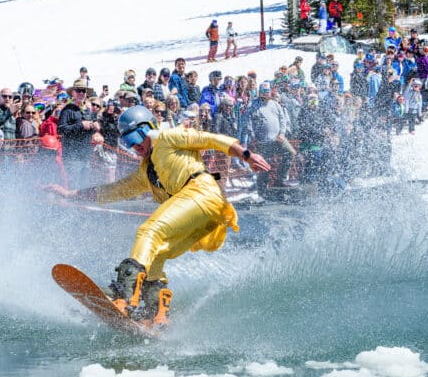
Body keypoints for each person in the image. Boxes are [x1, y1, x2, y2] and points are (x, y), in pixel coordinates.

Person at [46, 107, 270, 325]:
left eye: (135, 138)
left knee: (149, 231)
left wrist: (246, 155)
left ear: (147, 129)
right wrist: (72, 194)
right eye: (127, 142)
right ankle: (157, 315)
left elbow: (212, 139)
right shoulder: (145, 172)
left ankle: (124, 296)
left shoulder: (167, 137)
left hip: (202, 193)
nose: (134, 147)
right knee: (156, 255)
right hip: (205, 218)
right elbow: (113, 190)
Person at [57, 79, 99, 188]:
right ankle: (72, 204)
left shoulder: (87, 111)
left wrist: (95, 128)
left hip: (85, 154)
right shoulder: (67, 110)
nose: (81, 93)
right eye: (78, 90)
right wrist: (81, 125)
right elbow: (61, 129)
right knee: (74, 184)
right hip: (72, 155)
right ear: (73, 93)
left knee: (84, 184)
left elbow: (91, 127)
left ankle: (81, 203)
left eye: (83, 91)